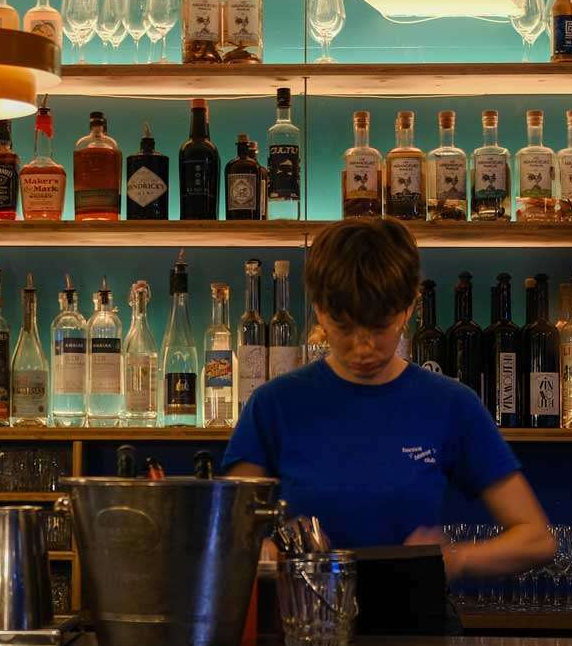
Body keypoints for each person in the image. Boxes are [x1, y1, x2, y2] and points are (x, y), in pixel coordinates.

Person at [222, 216, 554, 583]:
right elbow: (227, 535)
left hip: (414, 616)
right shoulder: (274, 405)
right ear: (319, 310)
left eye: (380, 327)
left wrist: (453, 559)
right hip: (307, 614)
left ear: (408, 308)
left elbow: (536, 540)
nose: (363, 346)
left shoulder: (451, 404)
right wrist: (261, 552)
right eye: (344, 327)